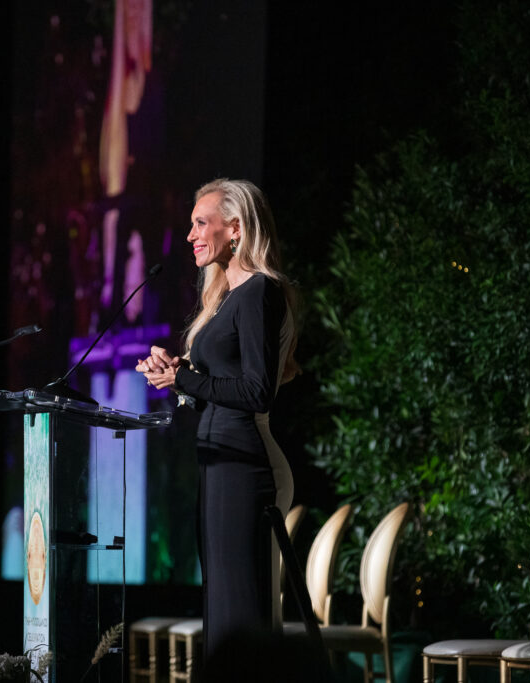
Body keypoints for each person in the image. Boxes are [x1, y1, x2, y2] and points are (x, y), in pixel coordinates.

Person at [136, 178, 298, 662]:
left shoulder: (258, 293)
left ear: (236, 229)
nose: (190, 235)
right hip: (221, 462)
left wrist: (185, 382)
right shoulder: (229, 296)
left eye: (200, 223)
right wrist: (180, 372)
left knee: (242, 617)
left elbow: (255, 391)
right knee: (224, 615)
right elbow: (227, 382)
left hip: (248, 467)